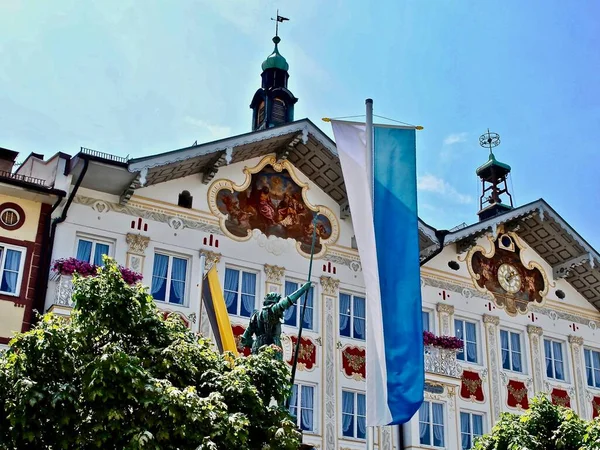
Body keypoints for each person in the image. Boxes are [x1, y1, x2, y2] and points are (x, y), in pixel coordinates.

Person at [241, 282, 312, 358]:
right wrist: (303, 289)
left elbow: (244, 340)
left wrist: (256, 343)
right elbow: (288, 301)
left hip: (256, 351)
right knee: (274, 369)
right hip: (273, 347)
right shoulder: (273, 309)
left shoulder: (255, 316)